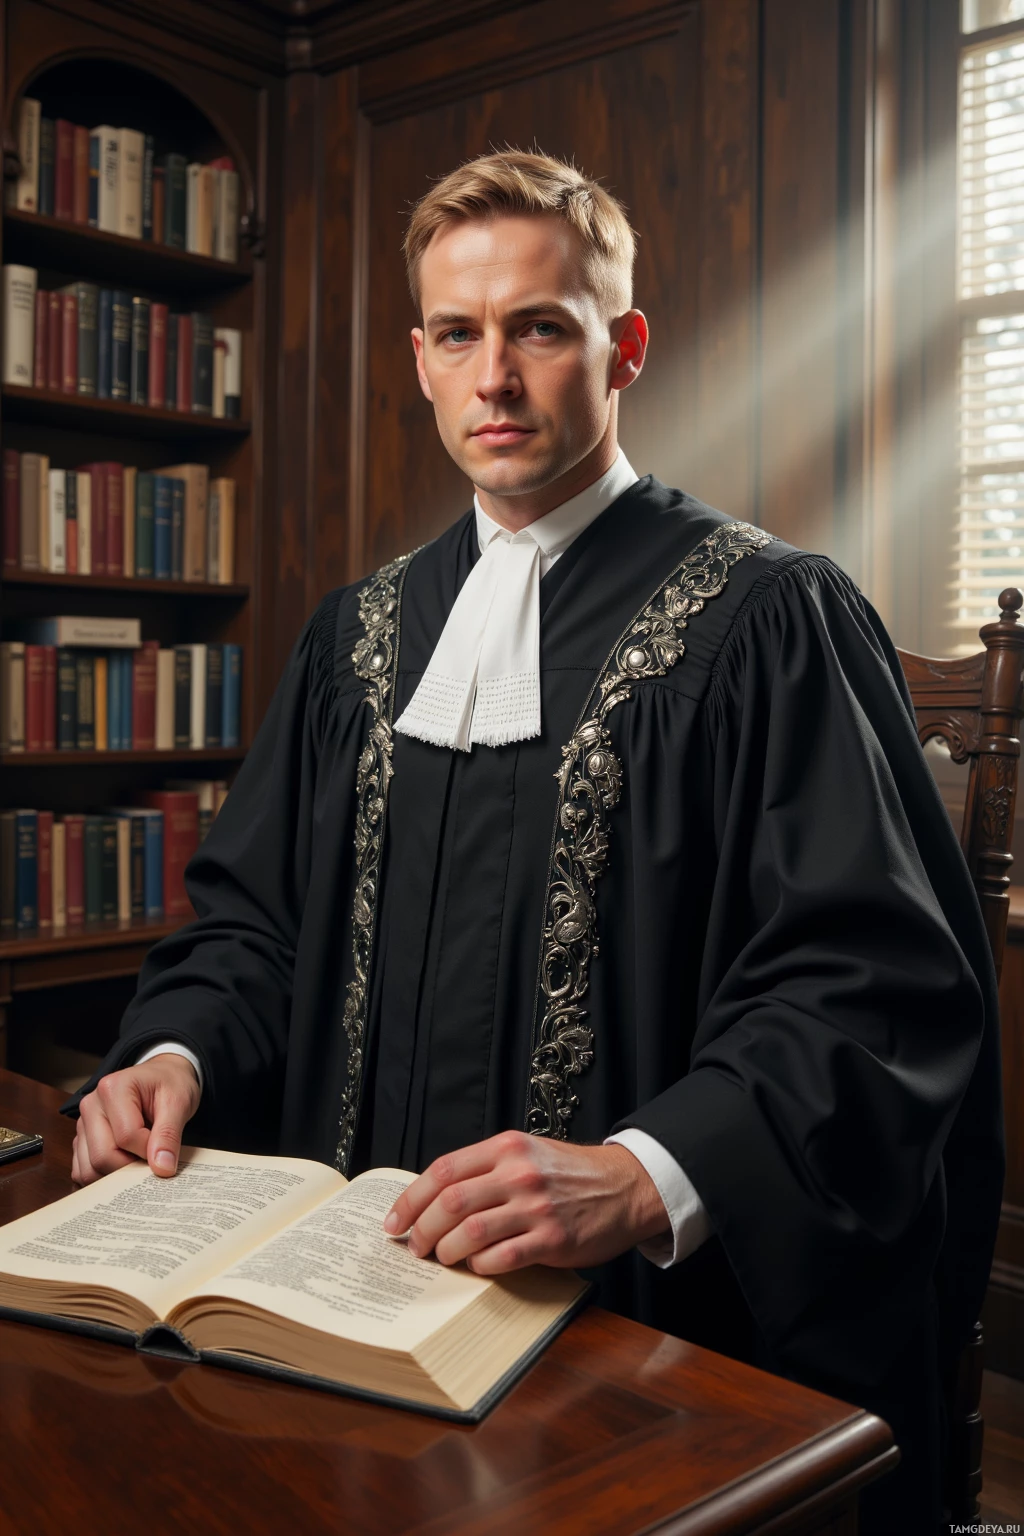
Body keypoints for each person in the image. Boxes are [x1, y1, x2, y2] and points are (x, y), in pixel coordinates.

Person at [65, 150, 1003, 1533]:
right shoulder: (356, 640)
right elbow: (251, 926)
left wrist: (644, 1176)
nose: (495, 378)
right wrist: (171, 1056)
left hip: (645, 1330)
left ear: (623, 348)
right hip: (339, 1313)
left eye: (540, 329)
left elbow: (869, 990)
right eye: (461, 334)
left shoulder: (768, 619)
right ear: (422, 359)